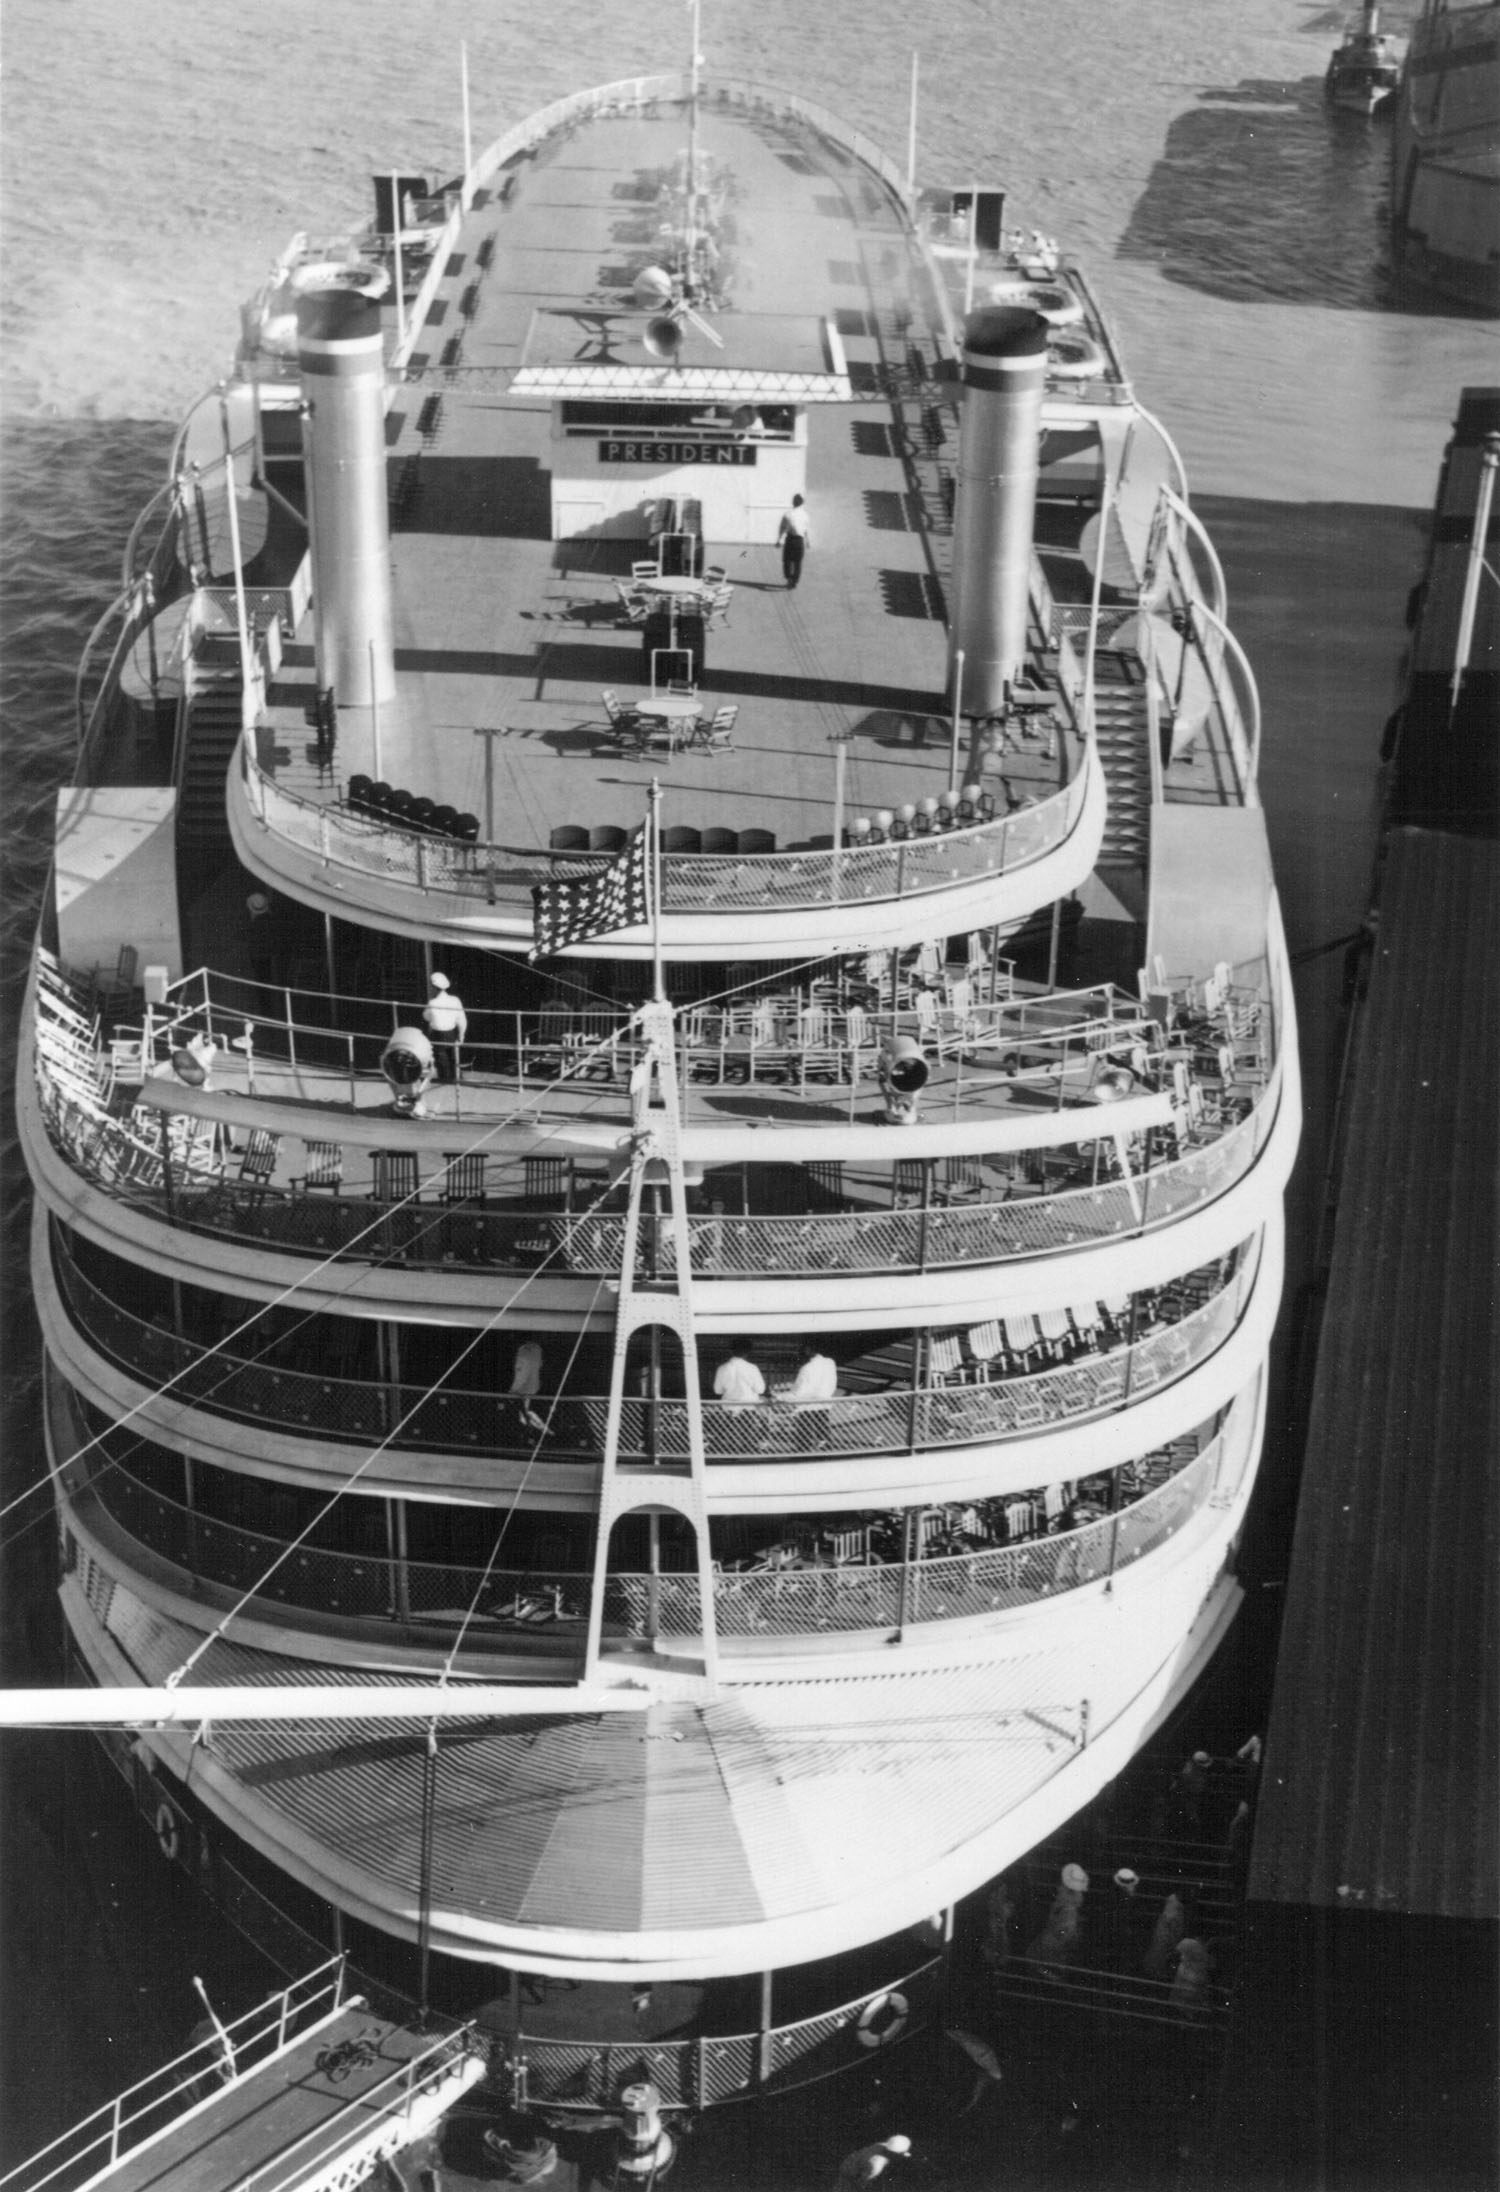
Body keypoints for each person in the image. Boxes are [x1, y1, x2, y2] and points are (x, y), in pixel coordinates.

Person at [1025, 1862, 1088, 1978]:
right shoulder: (1059, 1908)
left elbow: (1061, 1939)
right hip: (1042, 1958)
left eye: (1062, 1886)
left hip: (1050, 1965)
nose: (1058, 1888)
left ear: (1070, 1891)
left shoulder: (1069, 1914)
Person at [422, 970, 467, 1083]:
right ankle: (457, 1077)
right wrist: (461, 1035)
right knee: (453, 1056)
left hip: (437, 1034)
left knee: (441, 1059)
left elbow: (426, 1017)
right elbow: (461, 1019)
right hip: (451, 1033)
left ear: (434, 987)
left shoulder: (432, 1003)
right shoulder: (455, 1000)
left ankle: (445, 1079)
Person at [833, 2134, 911, 2188]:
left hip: (849, 2165)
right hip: (852, 2174)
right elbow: (865, 2179)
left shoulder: (881, 2145)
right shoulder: (878, 2161)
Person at [508, 1339, 547, 1435]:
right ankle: (534, 1433)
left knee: (524, 1414)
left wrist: (512, 1390)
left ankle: (529, 1432)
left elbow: (522, 1375)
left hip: (523, 1391)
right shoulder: (537, 1349)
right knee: (527, 1413)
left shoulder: (523, 1353)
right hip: (533, 1389)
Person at [713, 1340, 766, 1408]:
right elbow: (760, 1390)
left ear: (731, 1351)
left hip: (728, 1408)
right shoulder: (752, 1368)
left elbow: (718, 1391)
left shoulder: (721, 1368)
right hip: (748, 1408)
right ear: (748, 1352)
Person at [778, 492, 810, 588]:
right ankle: (794, 581)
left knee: (787, 560)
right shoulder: (805, 515)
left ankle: (789, 579)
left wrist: (779, 539)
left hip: (790, 539)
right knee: (797, 561)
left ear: (793, 503)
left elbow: (782, 528)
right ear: (802, 503)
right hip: (800, 541)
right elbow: (806, 529)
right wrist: (808, 541)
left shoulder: (788, 514)